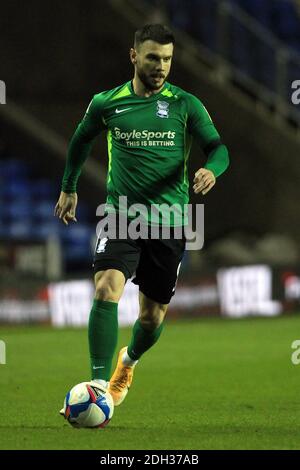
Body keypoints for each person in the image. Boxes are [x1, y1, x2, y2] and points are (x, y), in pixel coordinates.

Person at [54, 24, 229, 408]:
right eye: (153, 57)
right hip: (122, 216)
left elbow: (219, 149)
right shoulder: (107, 103)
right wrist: (69, 186)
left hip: (170, 221)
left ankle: (127, 361)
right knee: (106, 287)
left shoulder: (186, 104)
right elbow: (80, 140)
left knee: (151, 319)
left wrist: (212, 169)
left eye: (167, 59)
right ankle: (99, 386)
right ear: (134, 56)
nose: (161, 66)